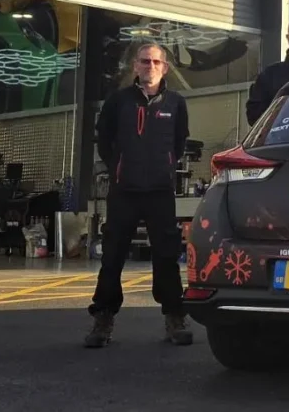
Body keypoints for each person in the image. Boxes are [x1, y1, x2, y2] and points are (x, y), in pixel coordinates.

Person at [84, 42, 193, 348]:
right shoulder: (118, 101)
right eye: (145, 61)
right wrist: (119, 168)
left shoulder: (176, 103)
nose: (150, 66)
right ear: (135, 66)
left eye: (156, 62)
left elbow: (179, 144)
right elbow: (104, 141)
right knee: (113, 256)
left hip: (160, 192)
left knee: (167, 256)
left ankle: (174, 317)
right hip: (124, 192)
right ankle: (103, 319)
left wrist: (164, 167)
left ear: (165, 68)